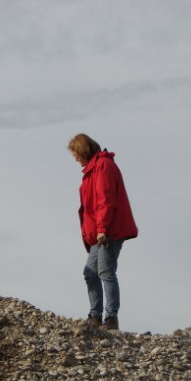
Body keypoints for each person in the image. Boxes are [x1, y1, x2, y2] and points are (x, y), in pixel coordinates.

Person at [68, 133, 138, 330]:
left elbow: (105, 201)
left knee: (105, 271)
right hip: (100, 233)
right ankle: (95, 315)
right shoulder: (91, 171)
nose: (75, 159)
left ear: (83, 151)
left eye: (76, 154)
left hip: (110, 231)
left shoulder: (103, 167)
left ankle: (110, 317)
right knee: (90, 272)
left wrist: (101, 229)